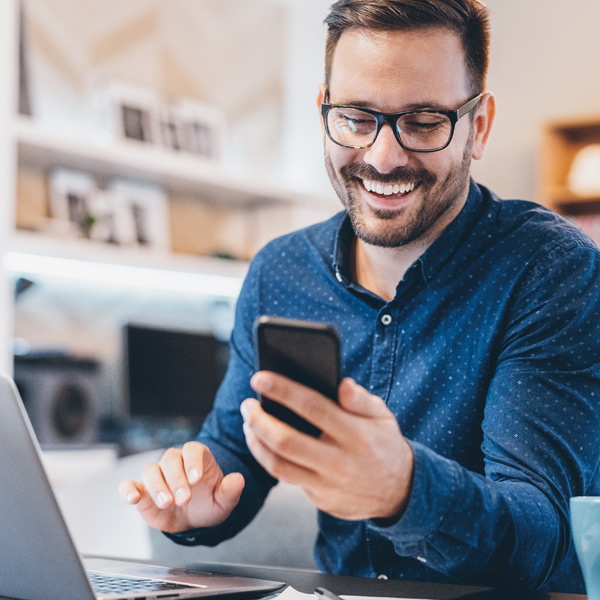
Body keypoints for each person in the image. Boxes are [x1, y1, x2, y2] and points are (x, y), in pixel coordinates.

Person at [119, 0, 600, 593]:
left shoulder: (548, 270)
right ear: (324, 109)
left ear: (479, 126)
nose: (383, 156)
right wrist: (196, 496)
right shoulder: (282, 271)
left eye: (424, 121)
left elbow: (544, 536)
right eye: (356, 117)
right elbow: (235, 447)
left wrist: (404, 490)